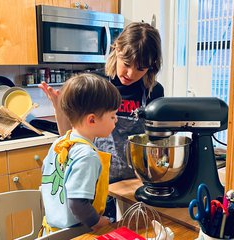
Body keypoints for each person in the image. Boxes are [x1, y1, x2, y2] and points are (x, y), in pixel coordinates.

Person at [39, 21, 164, 220]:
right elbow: (70, 139)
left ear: (151, 66)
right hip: (95, 183)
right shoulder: (95, 85)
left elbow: (157, 144)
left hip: (136, 184)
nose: (130, 74)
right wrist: (58, 108)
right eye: (127, 63)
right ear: (117, 49)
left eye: (140, 68)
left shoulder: (154, 91)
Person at [39, 73, 122, 236]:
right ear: (92, 120)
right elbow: (77, 203)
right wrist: (97, 222)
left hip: (50, 230)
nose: (116, 120)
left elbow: (45, 171)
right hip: (74, 233)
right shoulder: (87, 155)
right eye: (112, 116)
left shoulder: (61, 141)